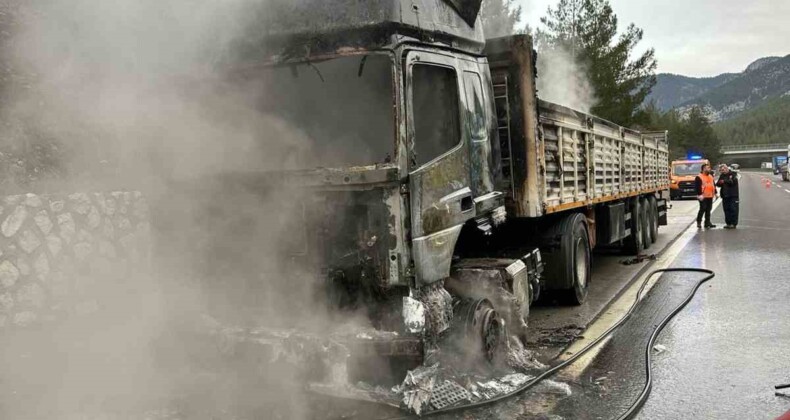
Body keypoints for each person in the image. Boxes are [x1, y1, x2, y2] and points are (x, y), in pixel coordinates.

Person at [694, 163, 717, 229]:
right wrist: (699, 194)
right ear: (703, 169)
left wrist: (715, 193)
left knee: (708, 210)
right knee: (702, 209)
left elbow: (713, 185)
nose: (709, 169)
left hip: (710, 196)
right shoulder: (699, 177)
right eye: (707, 168)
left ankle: (707, 223)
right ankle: (699, 221)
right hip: (703, 196)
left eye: (709, 168)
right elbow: (697, 187)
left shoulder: (710, 176)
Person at [717, 164, 740, 229]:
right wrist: (721, 182)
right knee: (726, 210)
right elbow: (718, 184)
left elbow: (732, 182)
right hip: (725, 196)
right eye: (721, 170)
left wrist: (724, 181)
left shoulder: (733, 174)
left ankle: (733, 223)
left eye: (723, 170)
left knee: (733, 209)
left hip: (733, 195)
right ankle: (728, 223)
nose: (722, 171)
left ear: (727, 168)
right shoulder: (722, 175)